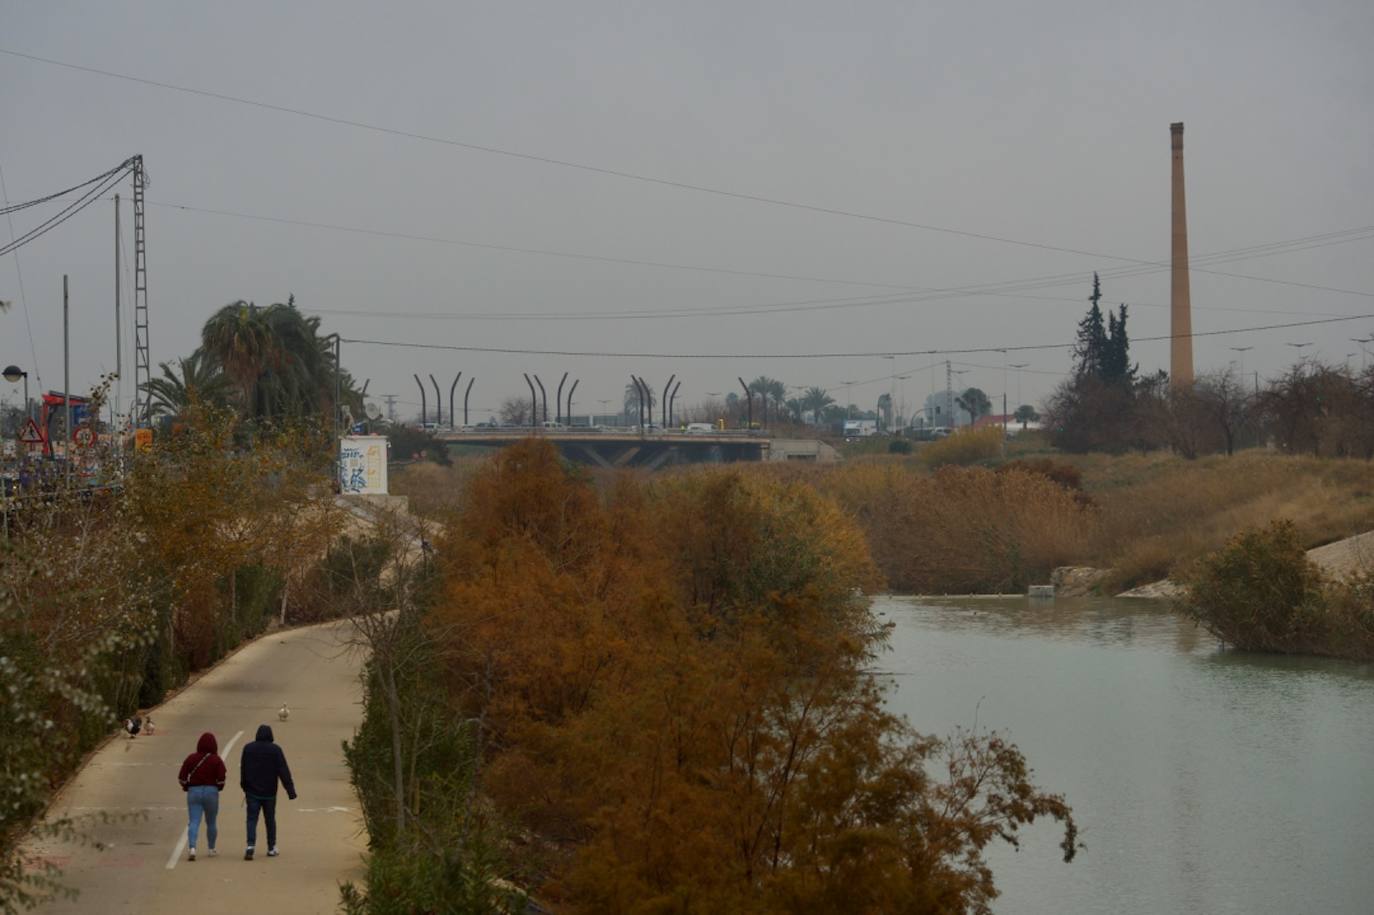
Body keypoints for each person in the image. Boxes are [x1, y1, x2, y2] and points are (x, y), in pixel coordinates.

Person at [239, 724, 297, 860]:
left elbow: (243, 769)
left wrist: (244, 786)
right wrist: (290, 791)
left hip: (252, 791)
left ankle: (250, 845)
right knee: (270, 819)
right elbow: (283, 771)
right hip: (270, 792)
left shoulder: (248, 748)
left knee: (252, 819)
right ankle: (271, 847)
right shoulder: (275, 750)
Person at [177, 731, 227, 861]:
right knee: (211, 822)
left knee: (194, 821)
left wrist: (186, 786)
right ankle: (211, 848)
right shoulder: (217, 760)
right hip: (211, 792)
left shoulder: (191, 758)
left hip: (193, 791)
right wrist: (218, 787)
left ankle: (192, 848)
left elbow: (181, 777)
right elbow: (221, 778)